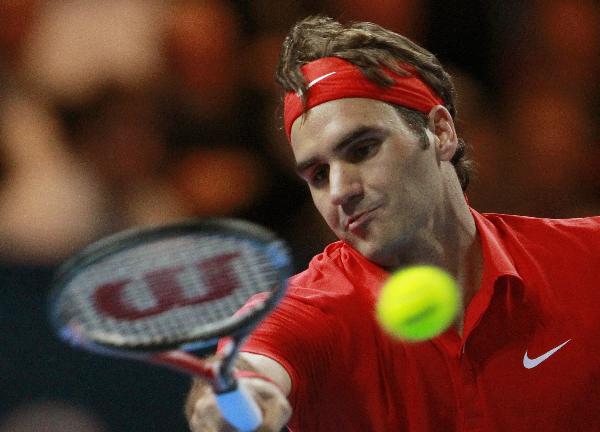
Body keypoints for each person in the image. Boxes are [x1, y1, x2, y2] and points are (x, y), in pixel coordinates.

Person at [185, 15, 600, 431]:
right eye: (318, 175)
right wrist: (234, 403)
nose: (340, 190)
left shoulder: (587, 260)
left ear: (441, 132)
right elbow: (250, 368)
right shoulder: (307, 311)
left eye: (363, 149)